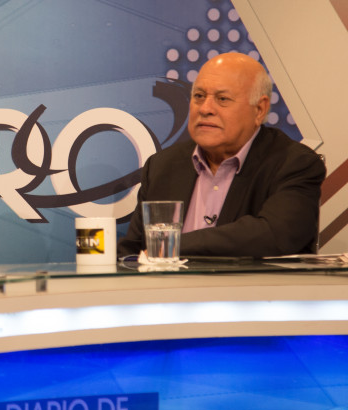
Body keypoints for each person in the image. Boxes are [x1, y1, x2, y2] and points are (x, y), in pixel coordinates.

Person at [118, 52, 325, 258]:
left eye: (222, 99)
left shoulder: (294, 163)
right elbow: (133, 251)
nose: (205, 109)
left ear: (259, 110)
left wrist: (170, 245)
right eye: (199, 96)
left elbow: (277, 235)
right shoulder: (162, 166)